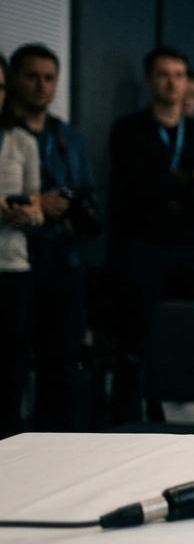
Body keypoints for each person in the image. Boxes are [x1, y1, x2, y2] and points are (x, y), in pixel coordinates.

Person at [3, 44, 97, 431]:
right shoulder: (11, 136)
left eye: (49, 78)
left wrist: (72, 208)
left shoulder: (69, 138)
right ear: (14, 80)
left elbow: (89, 197)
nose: (41, 86)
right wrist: (40, 202)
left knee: (61, 369)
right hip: (20, 263)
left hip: (64, 262)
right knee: (11, 368)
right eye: (32, 76)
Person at [108, 47, 194, 356]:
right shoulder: (128, 129)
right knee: (140, 339)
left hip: (193, 248)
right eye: (164, 75)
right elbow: (137, 185)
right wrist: (190, 179)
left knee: (191, 338)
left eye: (179, 76)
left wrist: (171, 181)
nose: (172, 83)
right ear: (149, 80)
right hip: (145, 248)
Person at [1, 55, 44, 436]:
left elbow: (37, 208)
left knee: (11, 370)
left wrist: (25, 213)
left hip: (12, 264)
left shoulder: (23, 141)